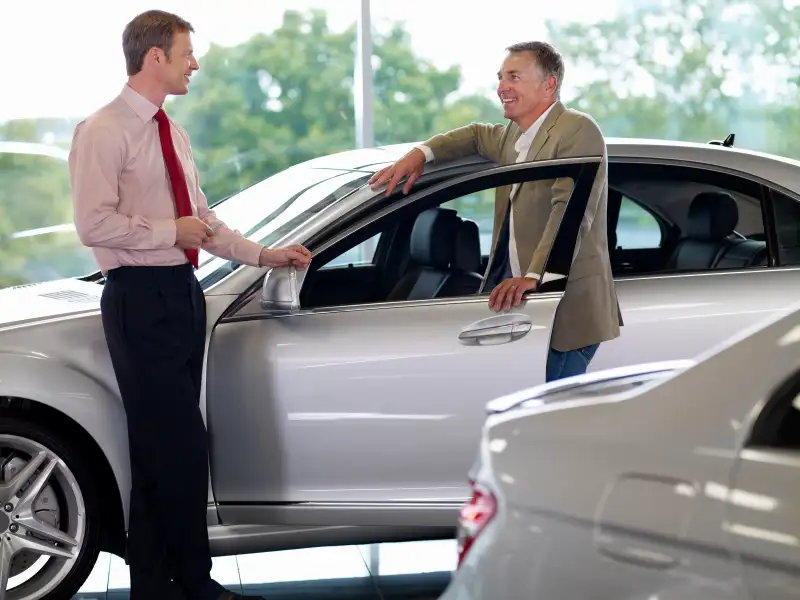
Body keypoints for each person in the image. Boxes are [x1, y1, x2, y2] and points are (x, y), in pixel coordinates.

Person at [68, 10, 310, 600]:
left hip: (180, 294)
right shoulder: (102, 130)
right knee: (177, 444)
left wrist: (264, 255)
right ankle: (194, 582)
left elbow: (201, 222)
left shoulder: (170, 130)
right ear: (155, 58)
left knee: (161, 445)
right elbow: (91, 223)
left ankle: (154, 583)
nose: (194, 64)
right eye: (186, 54)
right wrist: (167, 231)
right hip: (138, 298)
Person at [368, 41, 621, 382]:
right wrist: (420, 154)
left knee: (551, 423)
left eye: (514, 77)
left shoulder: (577, 130)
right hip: (524, 308)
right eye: (501, 77)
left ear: (549, 84)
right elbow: (473, 136)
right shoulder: (512, 137)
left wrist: (533, 277)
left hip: (565, 307)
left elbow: (571, 213)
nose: (501, 87)